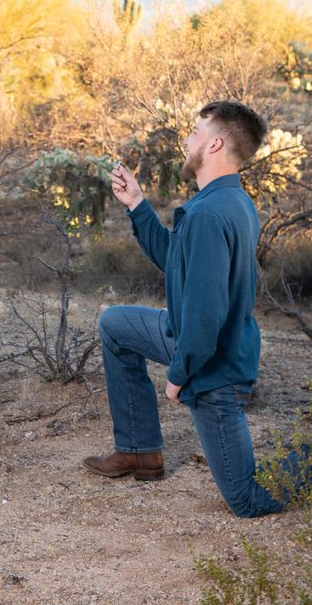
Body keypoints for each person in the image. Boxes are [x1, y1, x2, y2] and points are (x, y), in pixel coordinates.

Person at [83, 100, 306, 518]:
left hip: (214, 370)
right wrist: (138, 205)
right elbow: (177, 261)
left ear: (215, 144)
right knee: (115, 325)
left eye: (194, 132)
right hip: (193, 339)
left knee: (247, 498)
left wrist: (177, 376)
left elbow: (206, 315)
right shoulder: (230, 201)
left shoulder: (209, 214)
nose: (186, 140)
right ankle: (140, 451)